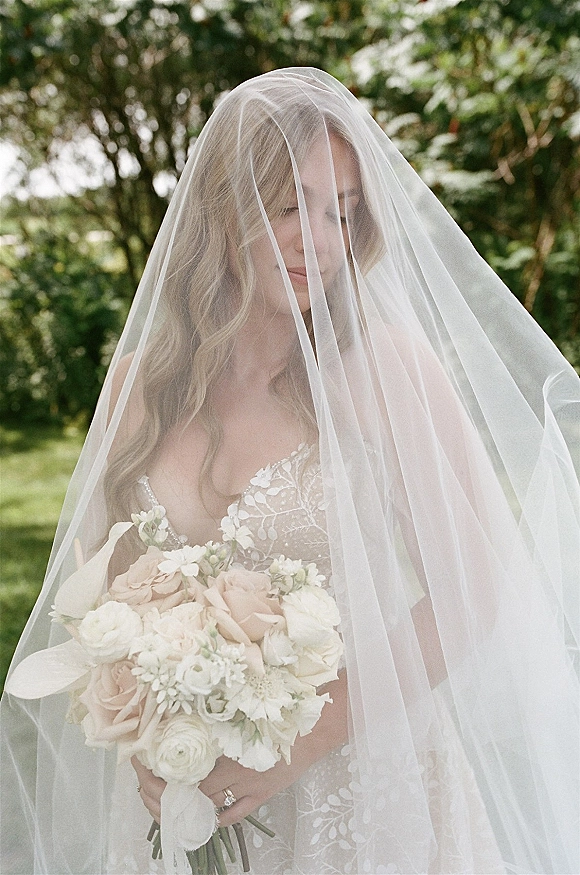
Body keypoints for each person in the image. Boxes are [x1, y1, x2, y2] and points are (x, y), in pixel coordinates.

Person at [1, 68, 578, 875]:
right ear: (221, 211)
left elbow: (473, 585)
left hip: (363, 786)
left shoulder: (387, 371)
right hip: (185, 788)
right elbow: (103, 589)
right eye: (290, 206)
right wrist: (142, 728)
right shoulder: (138, 386)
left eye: (342, 213)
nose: (321, 240)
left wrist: (299, 747)